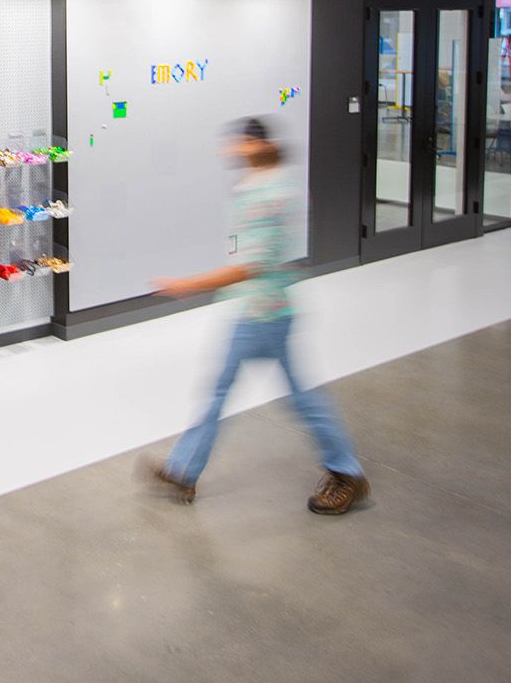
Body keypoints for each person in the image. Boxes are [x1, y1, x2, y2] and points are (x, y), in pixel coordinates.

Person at [147, 117, 369, 515]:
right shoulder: (255, 185)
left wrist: (188, 284)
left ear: (258, 145)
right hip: (254, 309)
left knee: (298, 398)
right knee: (226, 391)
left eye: (240, 142)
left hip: (268, 314)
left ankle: (347, 473)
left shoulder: (273, 191)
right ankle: (183, 469)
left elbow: (250, 265)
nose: (231, 149)